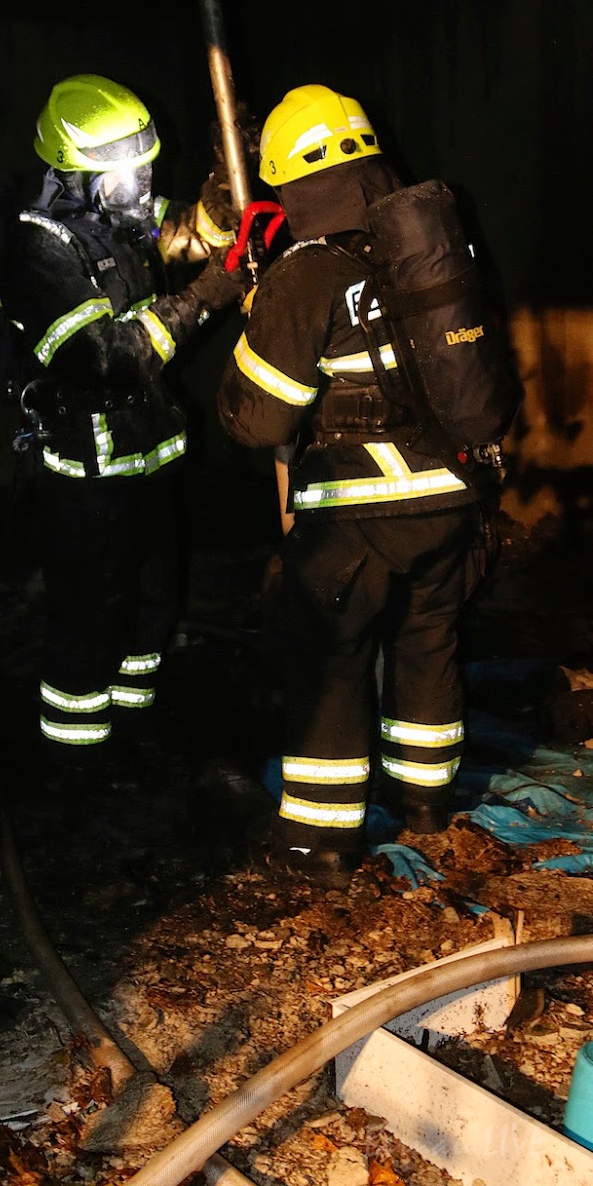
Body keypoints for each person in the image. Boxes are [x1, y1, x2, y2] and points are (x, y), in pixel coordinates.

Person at [217, 84, 490, 890]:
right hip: (454, 499)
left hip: (359, 514)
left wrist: (255, 307)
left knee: (330, 661)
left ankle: (319, 845)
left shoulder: (306, 272)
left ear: (285, 177)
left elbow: (259, 421)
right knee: (426, 641)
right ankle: (428, 804)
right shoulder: (432, 247)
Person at [0, 73, 246, 770]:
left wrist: (225, 194)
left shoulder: (117, 219)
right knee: (89, 608)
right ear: (74, 176)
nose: (139, 186)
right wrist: (201, 299)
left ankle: (134, 728)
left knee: (154, 592)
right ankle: (74, 756)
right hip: (83, 470)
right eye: (123, 174)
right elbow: (104, 361)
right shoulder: (39, 250)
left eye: (142, 168)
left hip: (146, 455)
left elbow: (188, 235)